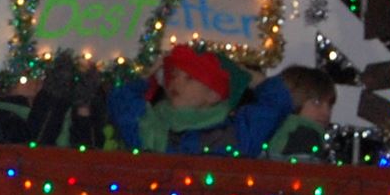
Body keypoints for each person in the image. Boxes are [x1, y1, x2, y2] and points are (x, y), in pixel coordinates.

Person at [109, 45, 290, 157]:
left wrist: (251, 78)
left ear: (213, 95)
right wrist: (147, 77)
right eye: (173, 76)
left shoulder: (237, 133)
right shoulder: (149, 125)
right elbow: (120, 101)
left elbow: (276, 104)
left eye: (189, 78)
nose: (176, 82)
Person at [263, 66, 337, 162]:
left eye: (329, 106)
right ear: (294, 100)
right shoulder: (306, 135)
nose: (326, 112)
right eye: (317, 102)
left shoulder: (276, 128)